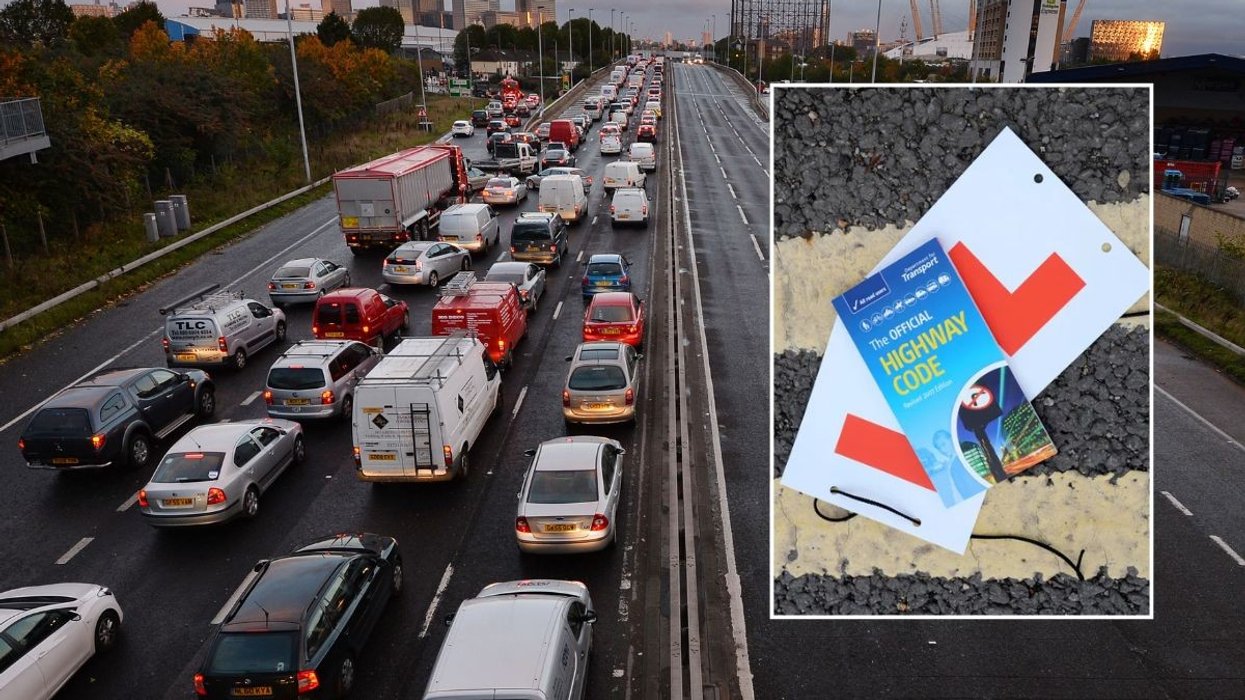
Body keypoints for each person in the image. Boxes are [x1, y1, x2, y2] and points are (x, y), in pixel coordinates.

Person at [933, 430, 987, 502]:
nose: (942, 450)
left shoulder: (959, 458)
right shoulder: (952, 462)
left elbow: (971, 486)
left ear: (951, 439)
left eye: (943, 444)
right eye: (939, 448)